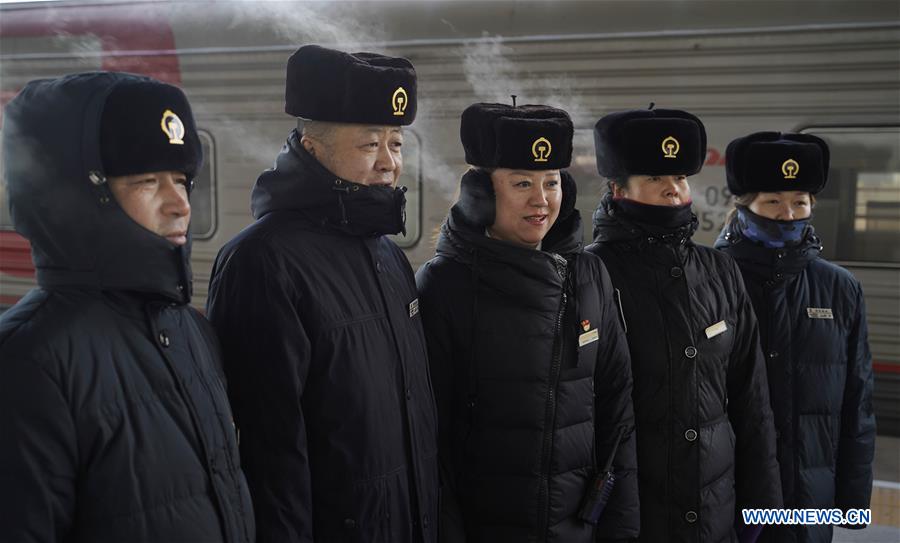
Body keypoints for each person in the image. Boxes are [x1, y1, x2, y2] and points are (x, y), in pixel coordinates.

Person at [0, 72, 254, 542]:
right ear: (79, 199)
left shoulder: (191, 331)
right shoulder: (27, 362)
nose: (180, 203)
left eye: (182, 179)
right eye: (146, 181)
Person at [206, 45, 438, 543]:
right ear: (312, 147)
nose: (388, 163)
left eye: (396, 144)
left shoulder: (387, 254)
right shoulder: (263, 262)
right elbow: (269, 455)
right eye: (369, 144)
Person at [416, 102, 639, 542]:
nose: (541, 200)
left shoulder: (589, 273)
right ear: (480, 197)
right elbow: (430, 439)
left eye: (552, 183)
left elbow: (618, 410)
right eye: (521, 183)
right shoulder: (444, 285)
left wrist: (621, 529)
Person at [585, 107, 783, 543]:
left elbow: (752, 400)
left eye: (679, 178)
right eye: (656, 179)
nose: (673, 190)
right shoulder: (591, 273)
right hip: (630, 513)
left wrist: (763, 508)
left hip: (714, 510)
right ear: (618, 188)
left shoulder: (719, 271)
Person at [715, 132, 876, 542]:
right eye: (772, 201)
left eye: (799, 202)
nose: (787, 214)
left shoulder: (840, 288)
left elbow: (858, 402)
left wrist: (853, 503)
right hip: (729, 491)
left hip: (810, 501)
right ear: (744, 205)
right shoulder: (712, 279)